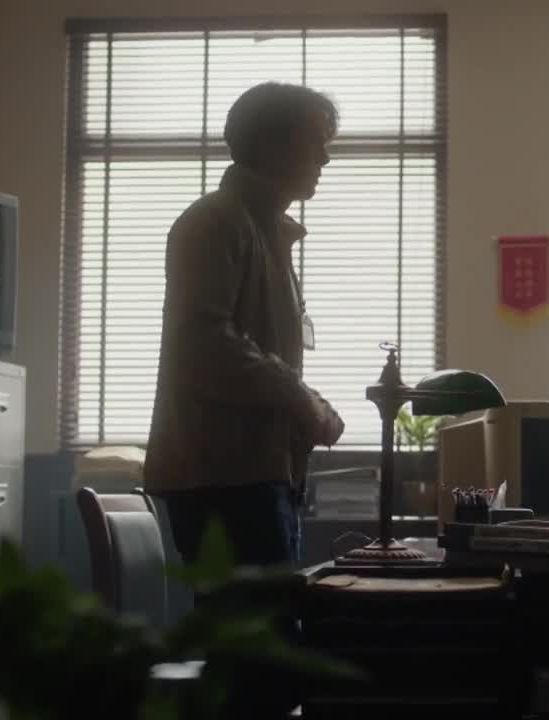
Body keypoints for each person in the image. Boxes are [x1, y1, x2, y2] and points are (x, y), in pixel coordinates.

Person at [145, 82, 346, 573]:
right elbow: (204, 345)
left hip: (254, 473)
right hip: (225, 478)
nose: (325, 158)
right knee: (259, 623)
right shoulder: (215, 223)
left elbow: (250, 348)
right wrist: (300, 398)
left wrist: (306, 401)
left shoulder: (262, 228)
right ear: (272, 144)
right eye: (315, 142)